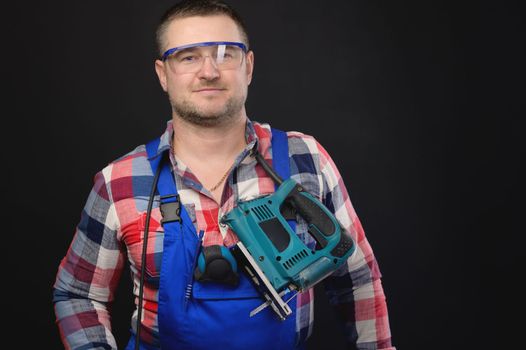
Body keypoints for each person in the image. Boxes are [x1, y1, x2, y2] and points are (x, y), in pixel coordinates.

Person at [52, 1, 395, 349]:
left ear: (248, 66)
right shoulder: (120, 181)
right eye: (188, 56)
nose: (209, 71)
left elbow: (358, 280)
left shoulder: (305, 160)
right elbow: (79, 293)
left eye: (225, 54)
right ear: (162, 74)